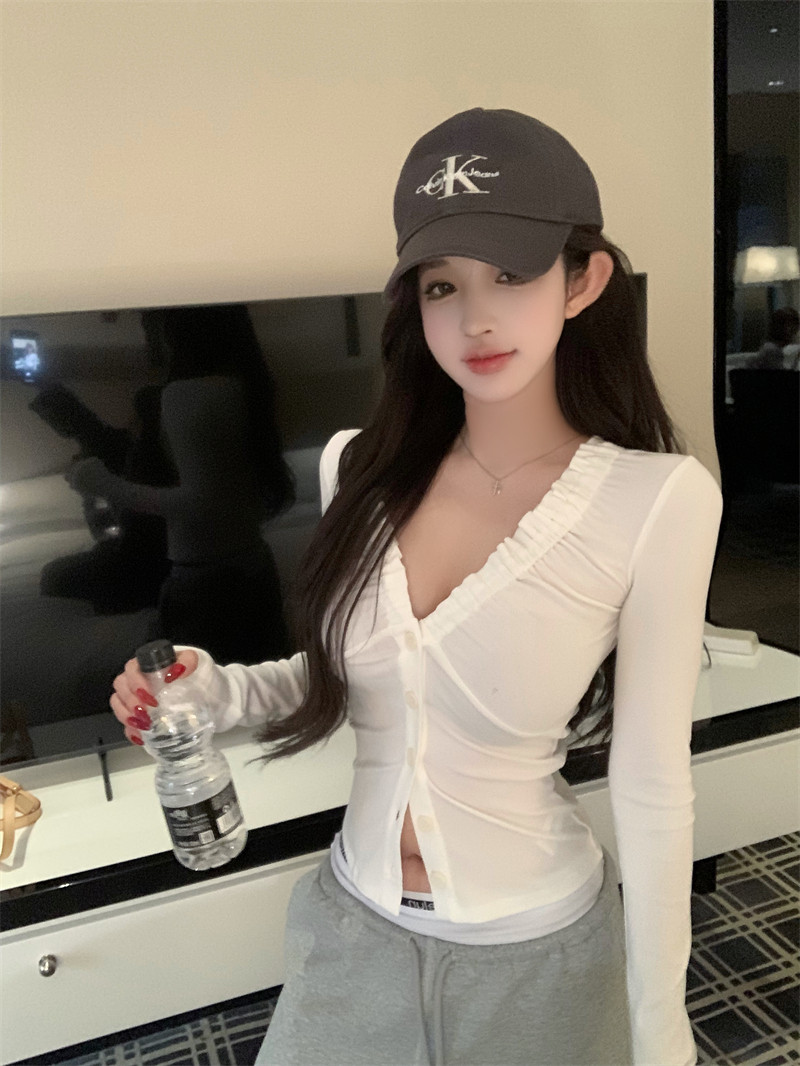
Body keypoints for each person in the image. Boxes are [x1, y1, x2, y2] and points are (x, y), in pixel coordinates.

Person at [110, 108, 723, 1066]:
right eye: (443, 285)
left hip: (533, 957)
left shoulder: (657, 499)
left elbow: (651, 785)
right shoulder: (358, 468)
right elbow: (356, 680)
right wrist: (215, 692)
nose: (476, 318)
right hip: (352, 930)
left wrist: (659, 1025)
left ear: (583, 280)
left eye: (511, 274)